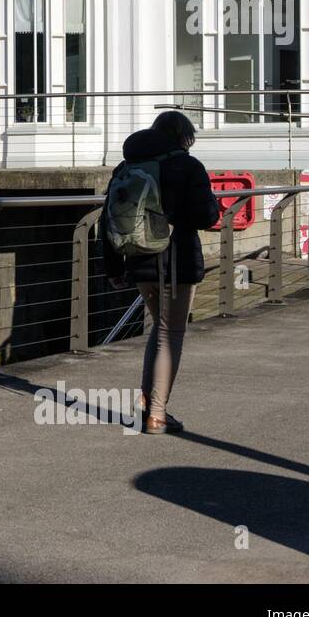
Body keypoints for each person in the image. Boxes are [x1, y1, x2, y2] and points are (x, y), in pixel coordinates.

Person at [102, 111, 221, 435]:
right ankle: (157, 414)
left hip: (138, 262)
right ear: (184, 137)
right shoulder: (187, 165)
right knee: (172, 334)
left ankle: (145, 401)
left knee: (160, 329)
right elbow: (206, 215)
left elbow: (107, 219)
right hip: (175, 262)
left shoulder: (126, 167)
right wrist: (212, 207)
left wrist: (113, 267)